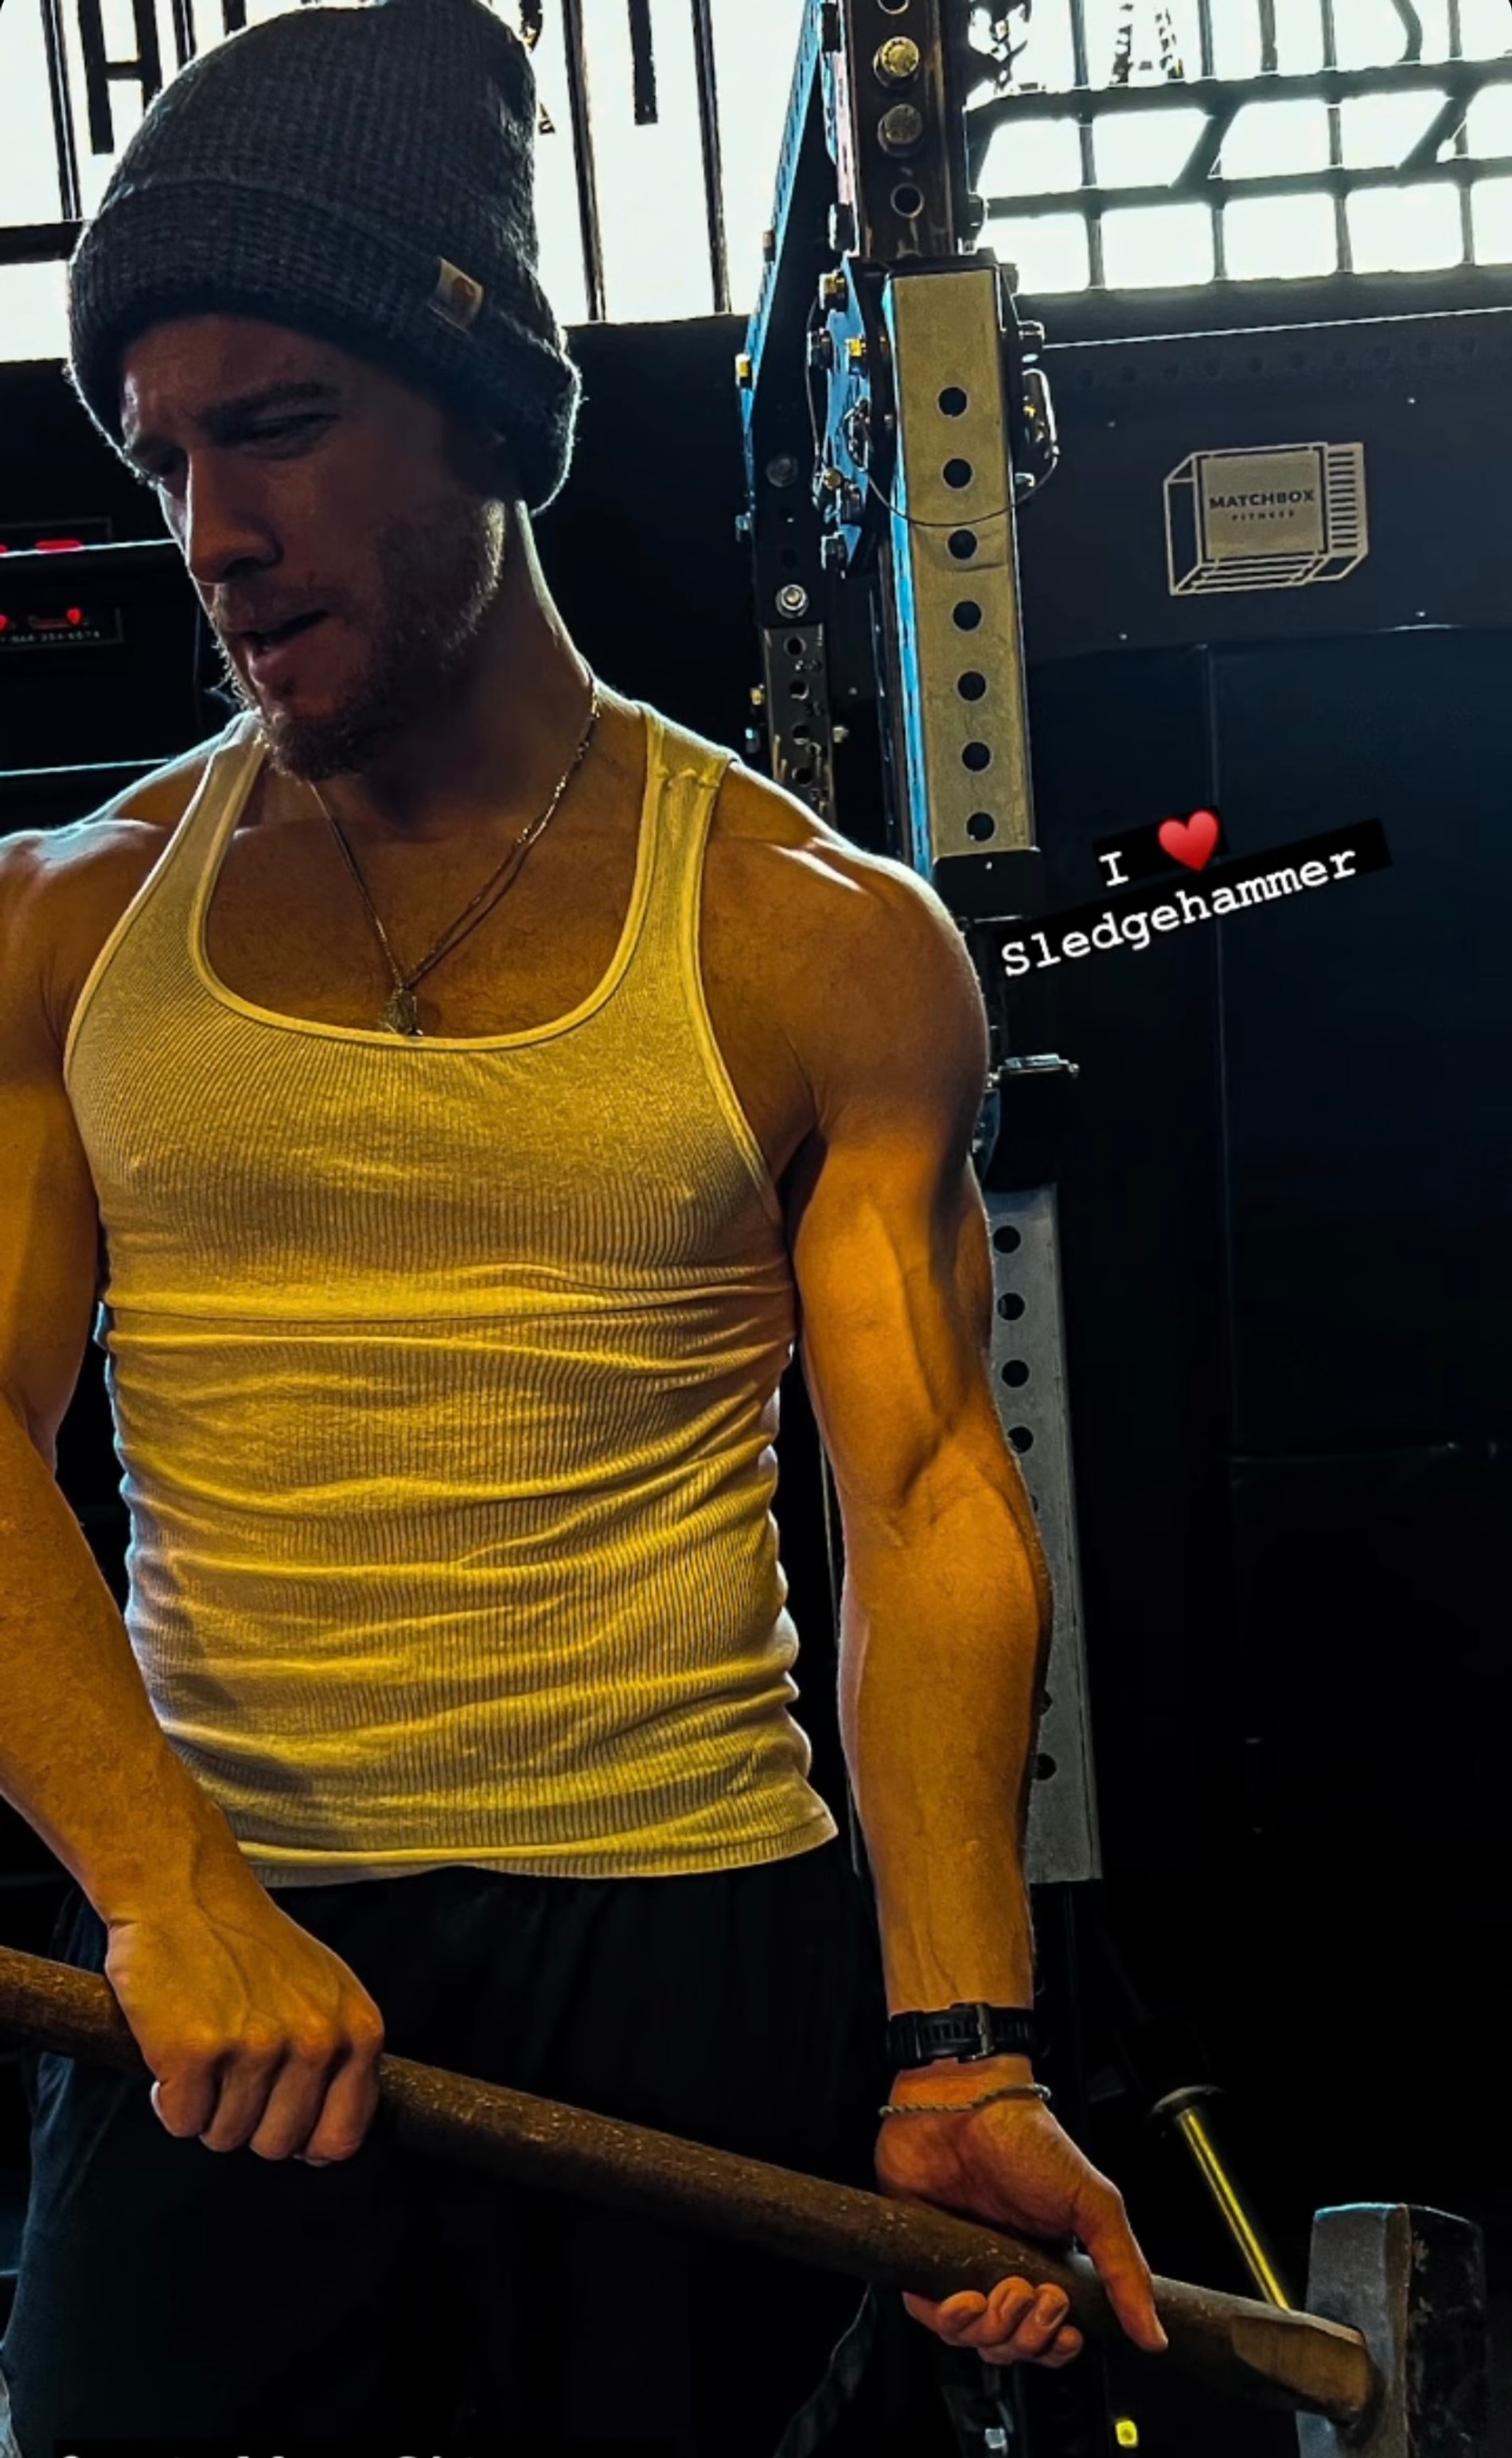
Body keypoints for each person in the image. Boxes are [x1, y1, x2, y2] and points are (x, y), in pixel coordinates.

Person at [0, 0, 1167, 2448]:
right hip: (228, 1935)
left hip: (679, 1935)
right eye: (166, 452)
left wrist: (961, 2040)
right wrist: (164, 1889)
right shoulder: (68, 923)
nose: (211, 531)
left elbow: (920, 1490)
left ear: (485, 411)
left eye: (277, 425)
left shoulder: (808, 937)